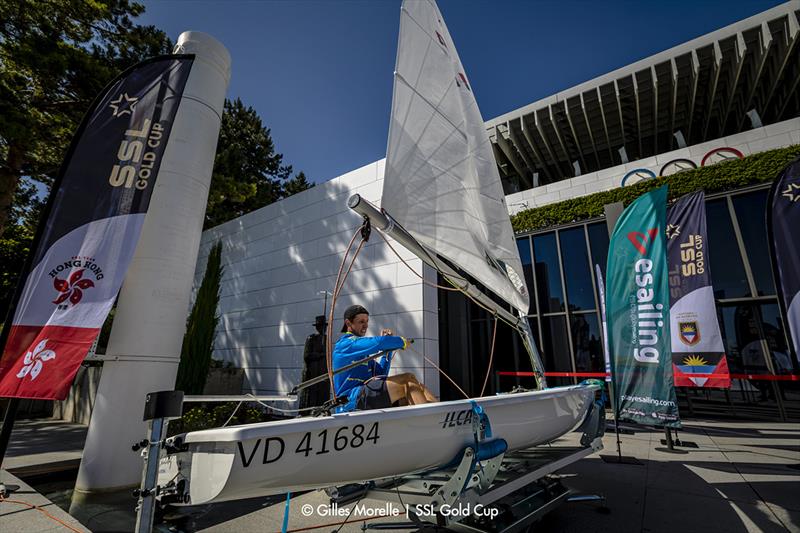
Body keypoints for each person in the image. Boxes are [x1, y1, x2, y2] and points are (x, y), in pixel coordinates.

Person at [333, 304, 437, 413]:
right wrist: (400, 341)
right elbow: (379, 342)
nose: (366, 325)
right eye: (361, 322)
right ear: (348, 323)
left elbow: (381, 373)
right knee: (407, 380)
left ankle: (439, 418)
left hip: (363, 395)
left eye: (367, 321)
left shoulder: (360, 352)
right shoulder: (345, 344)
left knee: (418, 386)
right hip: (350, 400)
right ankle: (430, 421)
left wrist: (387, 351)